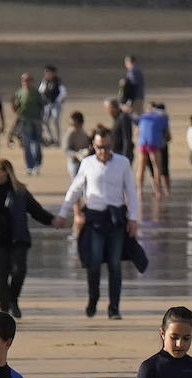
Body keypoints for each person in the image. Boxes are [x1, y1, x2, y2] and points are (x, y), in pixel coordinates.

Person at [60, 127, 139, 319]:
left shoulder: (122, 163)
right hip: (94, 218)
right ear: (93, 145)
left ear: (111, 145)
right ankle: (93, 298)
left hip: (115, 219)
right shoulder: (87, 164)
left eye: (106, 146)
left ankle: (114, 308)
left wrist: (133, 218)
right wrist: (63, 213)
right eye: (99, 147)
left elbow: (131, 191)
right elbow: (75, 189)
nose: (103, 151)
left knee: (114, 264)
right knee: (93, 262)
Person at [0, 159, 65, 318]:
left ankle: (13, 300)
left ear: (6, 172)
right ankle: (4, 308)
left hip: (18, 238)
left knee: (19, 271)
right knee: (1, 273)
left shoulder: (20, 191)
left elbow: (35, 210)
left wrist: (52, 220)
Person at [14, 73, 44, 175]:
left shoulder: (36, 93)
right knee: (26, 144)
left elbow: (42, 107)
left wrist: (40, 121)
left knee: (36, 144)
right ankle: (29, 166)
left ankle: (37, 164)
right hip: (24, 122)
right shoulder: (19, 93)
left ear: (31, 82)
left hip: (36, 122)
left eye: (27, 80)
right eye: (24, 81)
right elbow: (15, 106)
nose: (25, 82)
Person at [136, 105, 167, 198]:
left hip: (142, 143)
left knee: (141, 168)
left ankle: (140, 190)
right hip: (153, 144)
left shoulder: (143, 118)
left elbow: (137, 132)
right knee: (157, 167)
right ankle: (158, 191)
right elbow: (166, 134)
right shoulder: (162, 118)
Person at [39, 65, 67, 146]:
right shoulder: (45, 81)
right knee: (45, 121)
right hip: (47, 104)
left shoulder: (57, 82)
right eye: (46, 73)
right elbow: (40, 91)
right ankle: (51, 138)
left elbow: (63, 92)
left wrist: (57, 101)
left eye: (48, 72)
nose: (47, 74)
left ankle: (58, 140)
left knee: (56, 120)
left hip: (56, 104)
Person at [64, 111, 90, 179]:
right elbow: (66, 150)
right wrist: (76, 154)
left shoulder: (83, 132)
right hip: (74, 163)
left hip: (84, 162)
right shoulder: (70, 133)